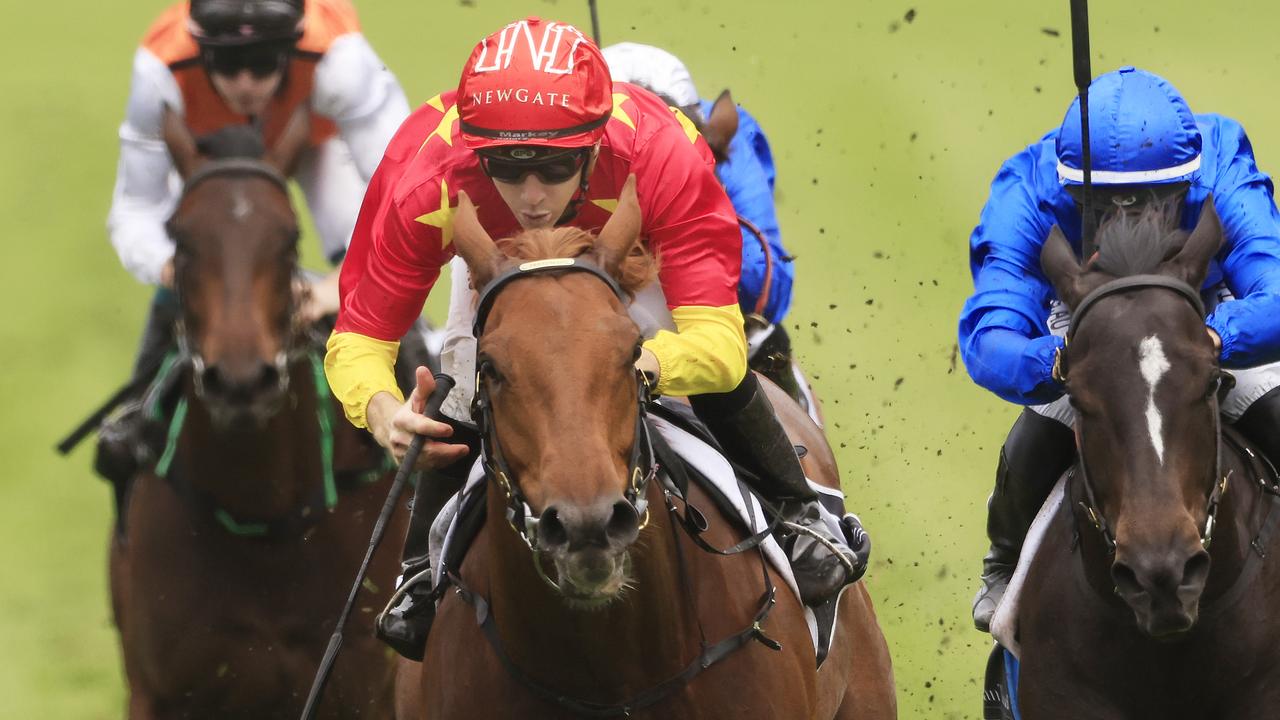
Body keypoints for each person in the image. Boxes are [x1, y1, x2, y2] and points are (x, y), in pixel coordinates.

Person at [323, 17, 858, 660]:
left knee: (705, 372)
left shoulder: (662, 150)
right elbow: (358, 338)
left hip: (637, 250)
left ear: (594, 144)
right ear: (472, 147)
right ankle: (420, 571)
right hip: (497, 261)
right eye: (505, 167)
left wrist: (633, 362)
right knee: (467, 378)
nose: (531, 197)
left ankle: (800, 514)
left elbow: (717, 344)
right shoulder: (425, 171)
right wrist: (381, 411)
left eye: (551, 168)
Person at [960, 66, 1280, 632]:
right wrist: (1060, 362)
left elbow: (1274, 287)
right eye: (1104, 205)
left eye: (1157, 200)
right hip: (1083, 316)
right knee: (1036, 438)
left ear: (1188, 179)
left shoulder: (1221, 160)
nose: (1133, 219)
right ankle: (1005, 566)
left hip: (1203, 304)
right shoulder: (1028, 190)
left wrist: (1213, 338)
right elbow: (990, 336)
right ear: (1071, 189)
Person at [97, 0, 412, 485]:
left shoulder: (342, 62)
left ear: (293, 48)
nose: (245, 82)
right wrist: (170, 267)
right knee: (199, 250)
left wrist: (340, 286)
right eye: (225, 63)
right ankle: (137, 413)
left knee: (357, 255)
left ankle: (420, 366)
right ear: (198, 49)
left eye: (264, 61)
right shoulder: (160, 69)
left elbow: (405, 193)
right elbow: (135, 209)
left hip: (313, 142)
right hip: (210, 161)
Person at [601, 42, 804, 402]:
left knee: (768, 341)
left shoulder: (730, 145)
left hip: (713, 323)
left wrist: (696, 222)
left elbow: (766, 289)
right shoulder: (570, 154)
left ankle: (793, 457)